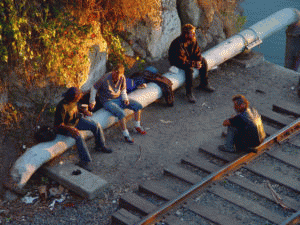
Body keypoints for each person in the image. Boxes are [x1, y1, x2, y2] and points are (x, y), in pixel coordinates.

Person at [54, 87, 112, 172]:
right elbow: (59, 124)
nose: (80, 97)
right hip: (66, 127)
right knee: (78, 136)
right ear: (73, 98)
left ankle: (100, 145)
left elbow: (77, 107)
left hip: (76, 121)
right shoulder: (62, 106)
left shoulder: (74, 101)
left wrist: (84, 111)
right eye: (78, 97)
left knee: (96, 125)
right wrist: (71, 129)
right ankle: (84, 161)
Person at [89, 63, 147, 144]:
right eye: (115, 75)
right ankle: (126, 134)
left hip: (119, 97)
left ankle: (137, 126)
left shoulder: (122, 77)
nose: (116, 78)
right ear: (113, 72)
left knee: (137, 106)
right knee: (121, 113)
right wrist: (92, 101)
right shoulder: (105, 78)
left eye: (118, 76)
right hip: (107, 100)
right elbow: (94, 88)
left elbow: (123, 89)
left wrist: (125, 99)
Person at [168, 24, 214, 103]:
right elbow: (181, 60)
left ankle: (204, 83)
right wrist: (193, 64)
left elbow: (197, 53)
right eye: (192, 33)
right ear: (186, 34)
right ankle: (189, 93)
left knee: (203, 61)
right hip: (177, 61)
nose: (194, 34)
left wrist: (198, 61)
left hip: (187, 59)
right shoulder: (177, 43)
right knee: (188, 69)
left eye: (194, 33)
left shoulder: (193, 40)